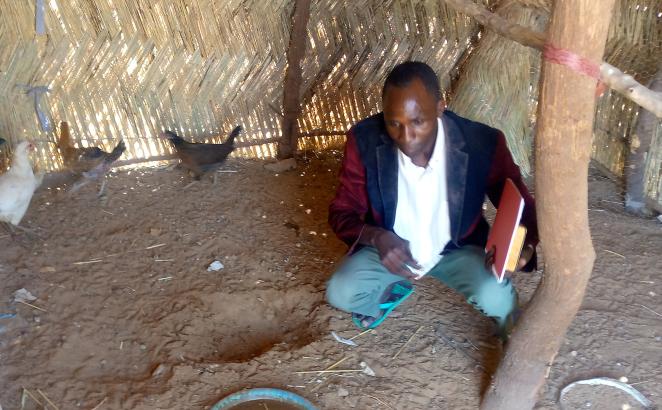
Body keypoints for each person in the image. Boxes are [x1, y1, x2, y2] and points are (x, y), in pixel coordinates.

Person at [326, 61, 538, 339]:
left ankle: (510, 332)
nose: (406, 138)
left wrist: (521, 249)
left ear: (440, 107)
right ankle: (392, 289)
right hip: (394, 251)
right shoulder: (364, 140)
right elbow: (342, 212)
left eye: (418, 122)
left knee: (496, 299)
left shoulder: (482, 144)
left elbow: (521, 205)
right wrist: (378, 237)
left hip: (457, 249)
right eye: (394, 123)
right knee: (340, 291)